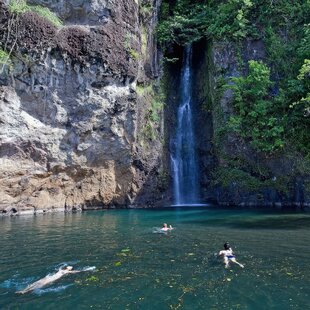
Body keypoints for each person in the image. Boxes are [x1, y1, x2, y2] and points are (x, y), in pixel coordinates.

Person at [16, 266, 82, 294]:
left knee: (36, 283)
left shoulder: (61, 270)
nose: (70, 268)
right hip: (51, 279)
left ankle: (24, 290)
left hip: (48, 277)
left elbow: (74, 271)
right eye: (70, 267)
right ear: (68, 269)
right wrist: (86, 269)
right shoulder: (66, 271)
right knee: (39, 285)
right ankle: (24, 291)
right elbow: (76, 271)